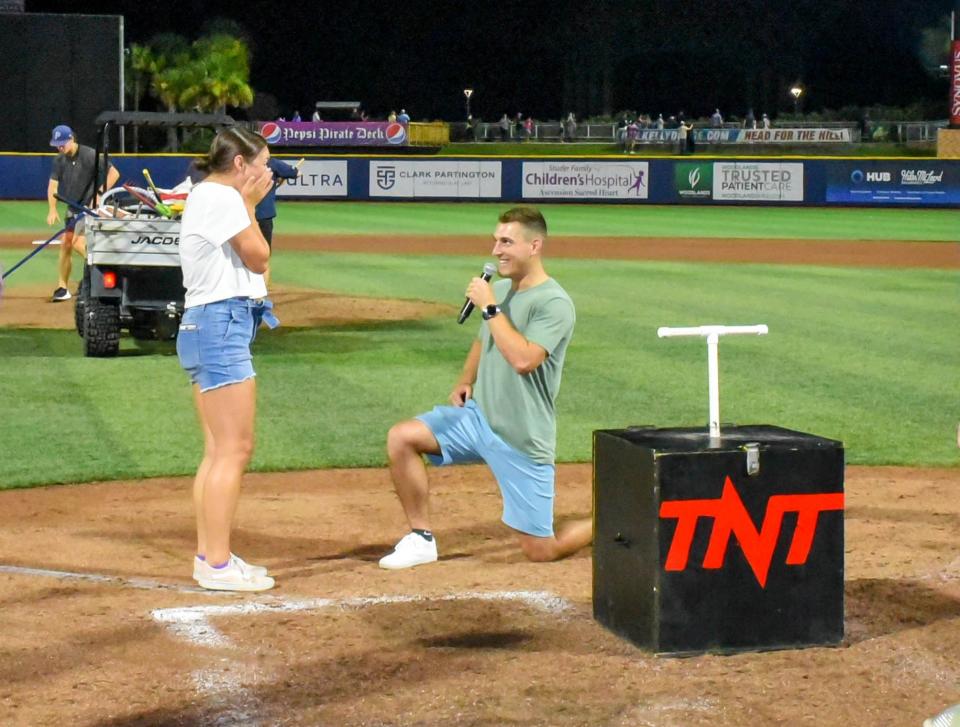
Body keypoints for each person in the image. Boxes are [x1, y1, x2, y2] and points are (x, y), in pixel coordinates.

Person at [379, 206, 592, 570]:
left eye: (507, 242)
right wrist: (465, 380)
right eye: (496, 241)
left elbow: (525, 359)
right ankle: (421, 538)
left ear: (534, 245)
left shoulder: (554, 303)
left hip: (520, 436)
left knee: (540, 549)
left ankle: (611, 519)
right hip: (478, 420)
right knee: (402, 438)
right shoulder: (505, 289)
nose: (496, 250)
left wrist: (491, 308)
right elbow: (483, 341)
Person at [176, 127, 278, 592]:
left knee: (219, 450)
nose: (267, 173)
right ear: (240, 164)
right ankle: (215, 565)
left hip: (209, 324)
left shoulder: (208, 194)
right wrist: (252, 207)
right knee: (234, 449)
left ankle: (211, 557)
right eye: (261, 164)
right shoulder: (223, 198)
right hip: (220, 324)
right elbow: (259, 258)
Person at [46, 124, 119, 302]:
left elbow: (114, 173)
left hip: (89, 210)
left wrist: (99, 194)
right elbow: (53, 185)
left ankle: (106, 273)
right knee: (66, 244)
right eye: (57, 144)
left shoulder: (88, 155)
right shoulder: (59, 160)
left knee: (78, 243)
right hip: (72, 209)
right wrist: (52, 209)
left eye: (62, 143)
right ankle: (63, 288)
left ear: (71, 139)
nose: (59, 147)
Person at [255, 157, 300, 287]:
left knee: (243, 256)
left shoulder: (244, 163)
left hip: (245, 215)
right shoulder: (272, 163)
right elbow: (294, 173)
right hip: (264, 215)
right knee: (264, 256)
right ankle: (260, 293)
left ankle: (245, 290)